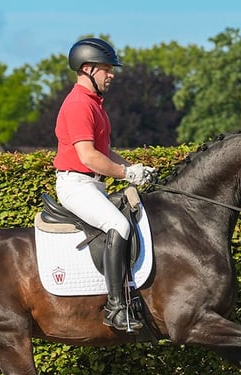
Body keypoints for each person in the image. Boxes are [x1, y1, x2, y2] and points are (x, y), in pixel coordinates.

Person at [54, 37, 156, 332]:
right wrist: (125, 176)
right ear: (87, 68)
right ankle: (116, 307)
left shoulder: (94, 104)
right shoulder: (78, 105)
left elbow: (106, 153)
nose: (111, 75)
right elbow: (88, 157)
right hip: (77, 185)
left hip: (92, 185)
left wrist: (134, 169)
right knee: (119, 226)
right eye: (106, 69)